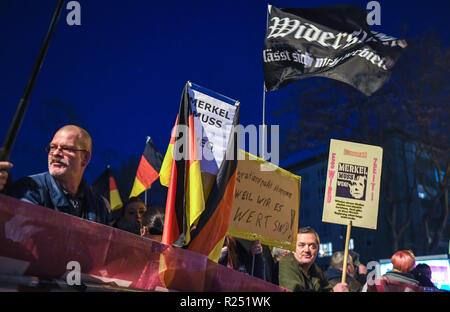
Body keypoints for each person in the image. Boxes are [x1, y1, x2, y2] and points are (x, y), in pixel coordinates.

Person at [7, 125, 109, 224]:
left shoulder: (98, 205)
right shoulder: (28, 189)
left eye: (66, 148)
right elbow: (23, 235)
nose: (55, 153)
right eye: (52, 147)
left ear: (85, 158)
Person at [278, 227, 349, 292]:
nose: (307, 250)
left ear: (318, 249)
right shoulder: (286, 265)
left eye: (312, 246)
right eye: (301, 245)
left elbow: (327, 289)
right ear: (293, 248)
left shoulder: (316, 270)